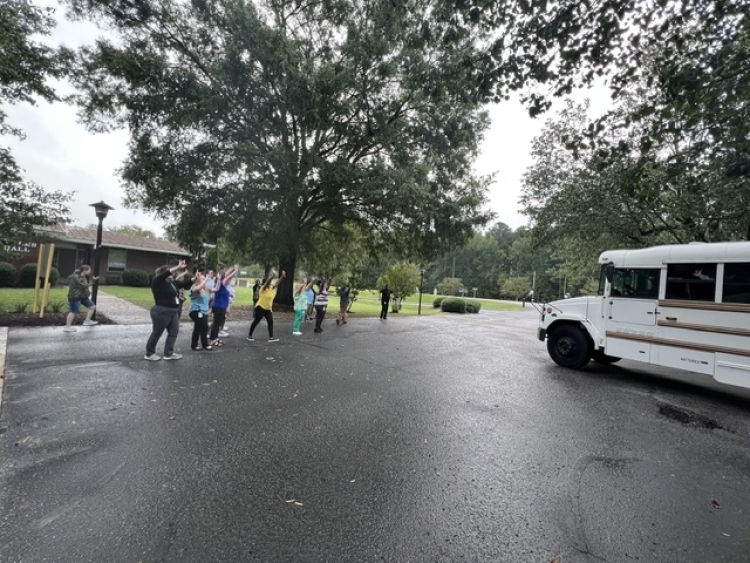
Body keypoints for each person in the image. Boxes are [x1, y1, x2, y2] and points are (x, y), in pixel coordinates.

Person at [145, 259, 187, 360]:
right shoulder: (157, 282)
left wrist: (200, 278)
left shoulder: (171, 284)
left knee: (173, 332)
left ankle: (169, 353)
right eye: (169, 272)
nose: (172, 274)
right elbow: (166, 273)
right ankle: (149, 353)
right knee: (157, 333)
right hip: (162, 311)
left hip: (173, 311)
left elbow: (187, 283)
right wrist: (178, 267)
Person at [247, 269, 286, 342]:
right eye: (269, 283)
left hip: (268, 309)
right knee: (256, 321)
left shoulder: (270, 288)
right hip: (260, 308)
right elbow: (268, 282)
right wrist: (272, 276)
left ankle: (271, 337)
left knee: (270, 321)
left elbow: (277, 283)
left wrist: (281, 277)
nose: (270, 284)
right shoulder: (262, 288)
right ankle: (249, 335)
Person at [209, 264, 239, 347]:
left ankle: (215, 338)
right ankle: (213, 340)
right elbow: (227, 277)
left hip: (220, 307)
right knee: (216, 324)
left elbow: (226, 275)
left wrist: (232, 268)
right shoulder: (222, 283)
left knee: (217, 324)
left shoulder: (222, 283)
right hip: (219, 307)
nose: (230, 280)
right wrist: (235, 271)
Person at [64, 265, 99, 332]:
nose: (90, 272)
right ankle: (67, 327)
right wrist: (93, 281)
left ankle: (87, 321)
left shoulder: (83, 277)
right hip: (75, 297)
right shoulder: (75, 277)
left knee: (92, 306)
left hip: (82, 297)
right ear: (85, 270)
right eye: (89, 270)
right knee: (73, 311)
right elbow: (82, 286)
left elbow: (84, 287)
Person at [188, 270, 212, 351]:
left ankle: (194, 345)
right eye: (203, 278)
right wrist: (205, 279)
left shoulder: (205, 290)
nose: (205, 279)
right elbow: (198, 287)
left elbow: (216, 289)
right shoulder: (194, 287)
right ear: (198, 280)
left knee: (198, 328)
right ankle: (205, 345)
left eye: (205, 278)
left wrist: (219, 280)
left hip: (203, 312)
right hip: (196, 311)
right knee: (205, 327)